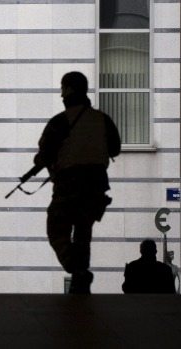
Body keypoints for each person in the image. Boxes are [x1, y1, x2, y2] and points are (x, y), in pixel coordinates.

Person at [33, 71, 121, 294]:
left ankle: (77, 269)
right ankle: (80, 276)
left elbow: (43, 155)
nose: (61, 94)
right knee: (83, 234)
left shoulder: (60, 122)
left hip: (68, 186)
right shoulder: (102, 120)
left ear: (70, 90)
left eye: (63, 89)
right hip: (96, 187)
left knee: (56, 230)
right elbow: (115, 148)